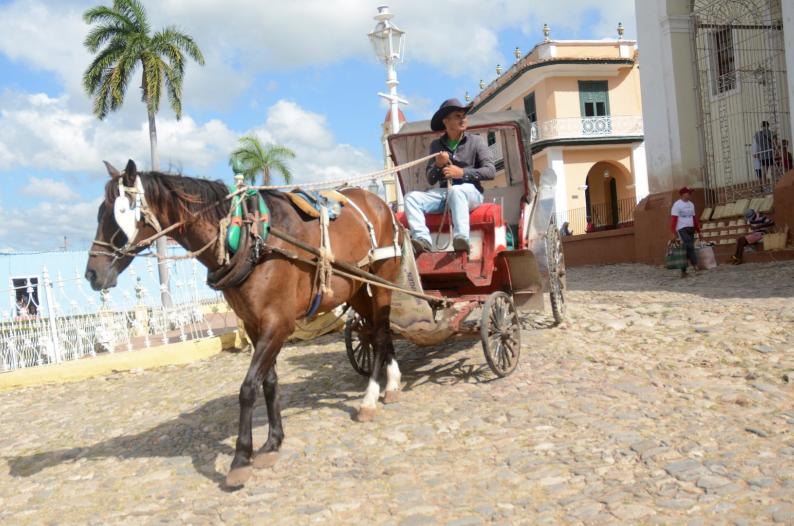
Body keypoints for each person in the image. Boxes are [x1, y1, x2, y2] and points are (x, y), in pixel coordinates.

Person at [405, 98, 495, 253]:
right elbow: (431, 178)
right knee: (411, 198)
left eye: (464, 116)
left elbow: (490, 171)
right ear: (446, 122)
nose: (463, 119)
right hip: (446, 194)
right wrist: (438, 165)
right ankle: (422, 239)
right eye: (458, 116)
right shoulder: (436, 146)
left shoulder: (476, 141)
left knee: (457, 191)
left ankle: (461, 239)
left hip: (471, 194)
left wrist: (462, 173)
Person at [670, 186, 703, 277]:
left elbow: (694, 219)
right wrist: (673, 233)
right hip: (682, 229)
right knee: (689, 246)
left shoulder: (691, 204)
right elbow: (674, 220)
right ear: (683, 194)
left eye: (690, 193)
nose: (690, 194)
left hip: (691, 228)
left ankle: (683, 271)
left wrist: (699, 231)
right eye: (688, 193)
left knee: (686, 248)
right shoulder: (677, 205)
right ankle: (695, 266)